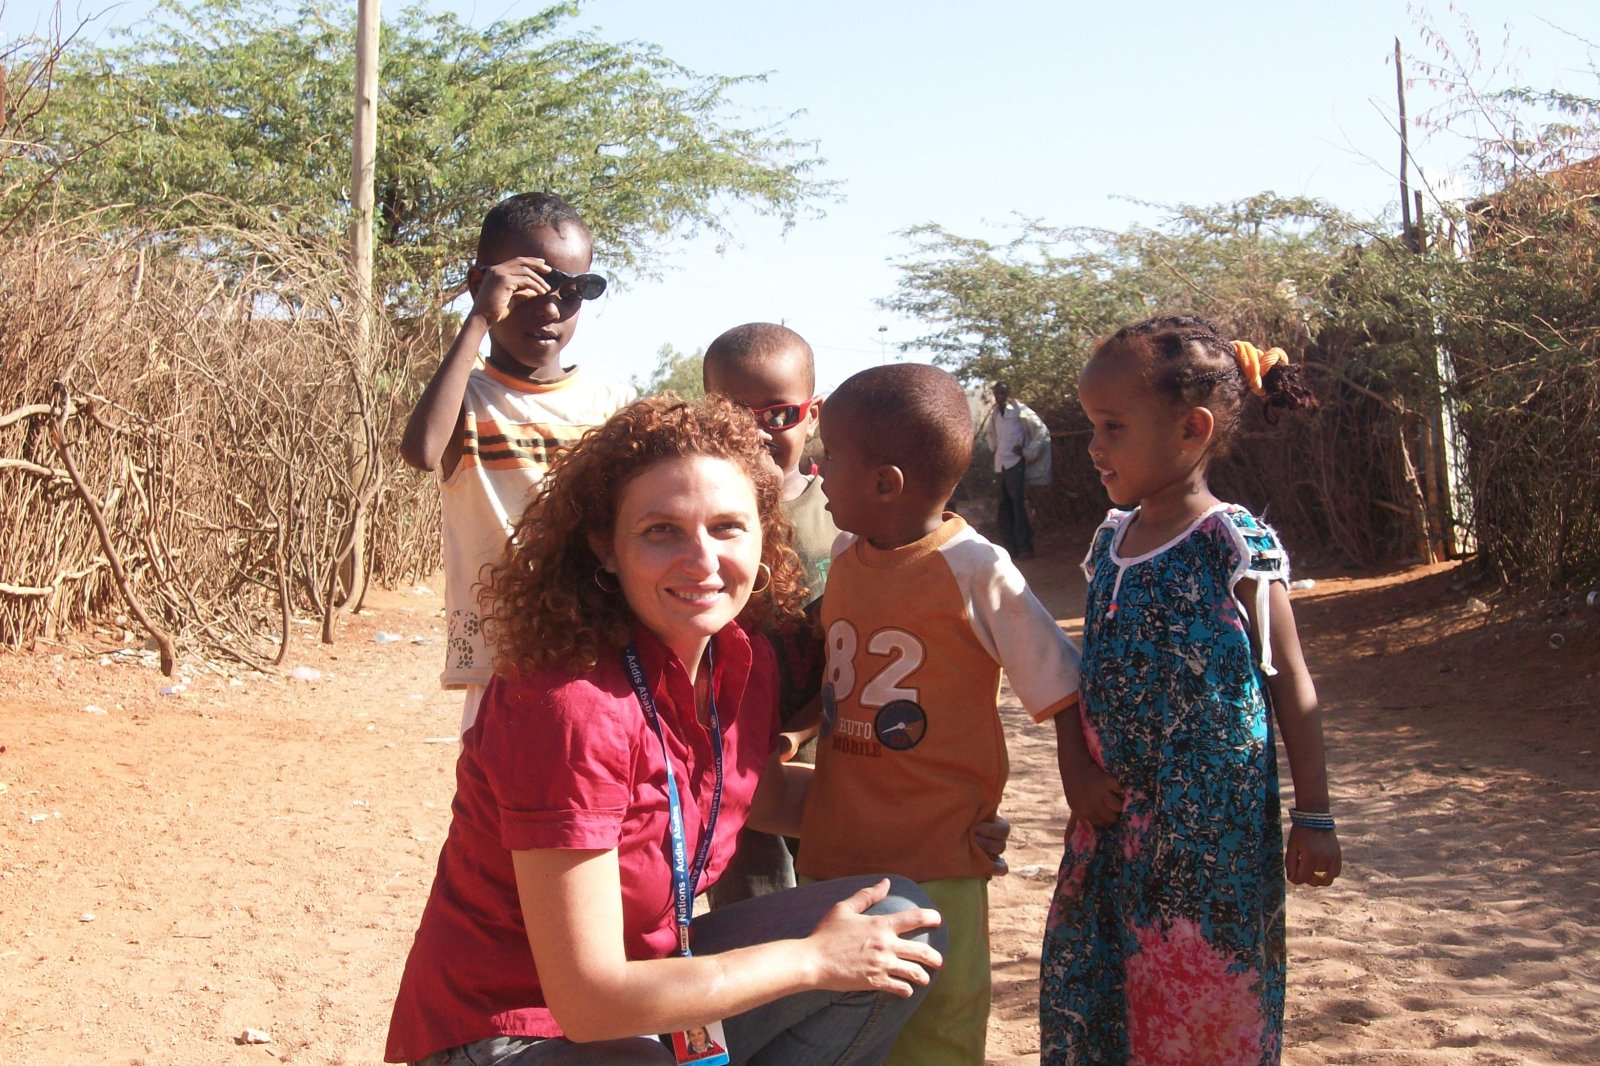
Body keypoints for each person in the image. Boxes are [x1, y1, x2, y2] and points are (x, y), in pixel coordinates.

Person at [386, 395, 948, 1066]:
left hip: (652, 981)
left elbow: (765, 798)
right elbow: (589, 1001)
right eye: (661, 531)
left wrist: (942, 818)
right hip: (515, 1028)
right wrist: (812, 961)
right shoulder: (569, 704)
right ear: (605, 545)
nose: (702, 560)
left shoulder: (740, 659)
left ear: (764, 535)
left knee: (899, 922)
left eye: (727, 527)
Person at [1039, 315, 1343, 1065]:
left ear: (1191, 429)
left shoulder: (1232, 545)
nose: (1094, 447)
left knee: (1207, 1003)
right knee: (1102, 994)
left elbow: (1291, 682)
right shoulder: (1109, 544)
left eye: (1112, 427)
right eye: (1092, 426)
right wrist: (1076, 771)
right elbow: (1084, 677)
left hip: (1213, 844)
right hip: (1111, 831)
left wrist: (1314, 814)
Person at [798, 363, 1085, 1066]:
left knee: (939, 1022)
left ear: (885, 483)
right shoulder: (845, 554)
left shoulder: (974, 567)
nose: (817, 469)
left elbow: (1060, 683)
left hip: (937, 855)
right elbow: (837, 679)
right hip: (834, 848)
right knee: (839, 1024)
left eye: (831, 456)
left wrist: (1081, 785)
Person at [399, 191, 634, 734]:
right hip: (498, 665)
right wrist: (479, 317)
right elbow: (423, 450)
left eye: (574, 292)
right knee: (497, 786)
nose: (551, 310)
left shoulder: (612, 406)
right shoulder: (468, 402)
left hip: (596, 655)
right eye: (529, 288)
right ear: (482, 282)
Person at [700, 322, 838, 906]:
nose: (756, 431)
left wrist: (801, 730)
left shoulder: (846, 516)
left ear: (813, 415)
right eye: (734, 413)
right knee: (749, 916)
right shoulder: (695, 518)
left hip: (828, 765)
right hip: (728, 765)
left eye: (779, 414)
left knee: (834, 907)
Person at [980, 381, 1051, 561]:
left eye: (1002, 393)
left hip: (1015, 463)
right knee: (1004, 507)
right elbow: (990, 434)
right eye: (997, 394)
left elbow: (1041, 430)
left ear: (1008, 393)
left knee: (1018, 506)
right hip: (1000, 465)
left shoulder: (1019, 410)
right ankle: (1009, 549)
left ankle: (1025, 547)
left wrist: (1027, 451)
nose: (1000, 397)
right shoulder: (995, 414)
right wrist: (994, 448)